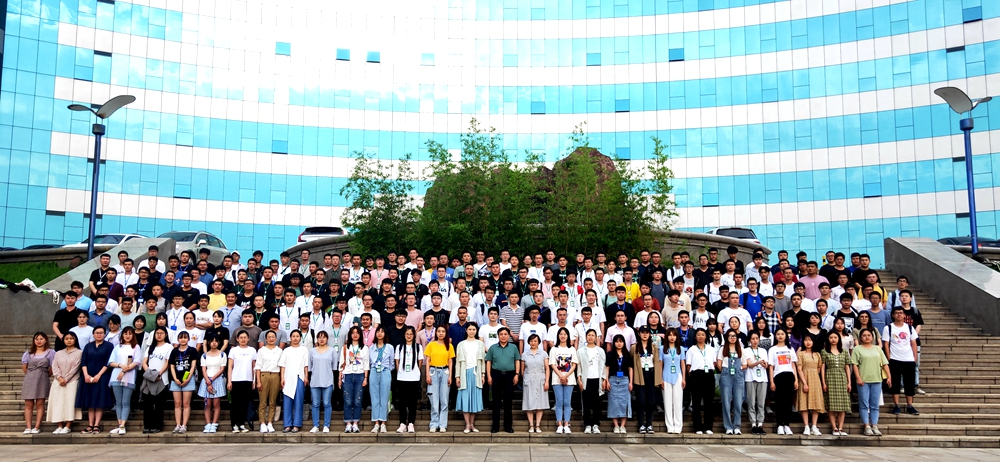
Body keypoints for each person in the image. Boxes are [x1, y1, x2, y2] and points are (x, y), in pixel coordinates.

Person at [853, 328, 891, 436]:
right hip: (863, 380)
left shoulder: (877, 349)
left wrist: (889, 376)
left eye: (869, 335)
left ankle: (874, 425)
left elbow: (884, 363)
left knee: (875, 405)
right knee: (864, 404)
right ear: (860, 338)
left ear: (873, 337)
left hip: (877, 379)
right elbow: (854, 364)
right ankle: (866, 426)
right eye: (864, 335)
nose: (867, 337)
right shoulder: (857, 349)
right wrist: (858, 378)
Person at [75, 325, 113, 434]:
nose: (99, 334)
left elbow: (108, 362)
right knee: (90, 400)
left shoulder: (109, 346)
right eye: (97, 333)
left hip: (102, 375)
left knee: (99, 400)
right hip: (88, 374)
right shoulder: (88, 346)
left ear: (104, 334)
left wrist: (99, 375)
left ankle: (97, 425)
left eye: (101, 333)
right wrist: (86, 375)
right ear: (93, 334)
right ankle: (90, 424)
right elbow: (84, 361)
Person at [883, 307, 920, 415]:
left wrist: (914, 357)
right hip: (894, 359)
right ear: (893, 315)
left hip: (908, 359)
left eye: (901, 313)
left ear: (904, 315)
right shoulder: (888, 328)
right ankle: (896, 405)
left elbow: (913, 343)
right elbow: (886, 344)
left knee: (909, 383)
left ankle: (910, 405)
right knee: (895, 383)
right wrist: (889, 357)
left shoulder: (909, 328)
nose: (899, 315)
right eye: (896, 313)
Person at [486, 327, 521, 433]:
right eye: (501, 334)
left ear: (509, 335)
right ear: (498, 336)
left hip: (510, 375)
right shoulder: (493, 348)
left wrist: (517, 374)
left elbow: (517, 361)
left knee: (508, 401)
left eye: (505, 334)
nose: (503, 336)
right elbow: (489, 362)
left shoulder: (513, 347)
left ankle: (508, 426)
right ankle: (495, 426)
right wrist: (489, 376)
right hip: (496, 374)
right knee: (496, 401)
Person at [48, 331, 82, 434]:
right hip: (58, 382)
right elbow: (54, 366)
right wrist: (59, 378)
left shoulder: (79, 353)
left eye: (71, 338)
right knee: (57, 402)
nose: (69, 340)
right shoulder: (58, 353)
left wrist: (66, 379)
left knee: (70, 403)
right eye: (66, 339)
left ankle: (68, 426)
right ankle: (59, 425)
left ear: (75, 340)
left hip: (72, 381)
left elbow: (76, 367)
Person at [107, 327, 140, 435]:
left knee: (125, 402)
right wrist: (121, 366)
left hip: (129, 376)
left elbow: (136, 362)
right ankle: (119, 424)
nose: (127, 336)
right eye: (125, 333)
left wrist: (124, 371)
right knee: (118, 402)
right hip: (116, 376)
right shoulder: (117, 347)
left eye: (130, 334)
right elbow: (111, 362)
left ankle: (122, 425)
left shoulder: (136, 347)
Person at [21, 332, 54, 434]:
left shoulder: (51, 352)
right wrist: (31, 374)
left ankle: (37, 426)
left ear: (45, 340)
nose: (39, 341)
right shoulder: (28, 353)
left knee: (40, 403)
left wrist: (44, 374)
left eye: (41, 339)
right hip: (30, 378)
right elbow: (24, 367)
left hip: (43, 378)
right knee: (28, 404)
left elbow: (52, 368)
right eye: (36, 339)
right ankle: (28, 427)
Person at [454, 322, 485, 433]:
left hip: (476, 373)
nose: (472, 331)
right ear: (466, 330)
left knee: (474, 399)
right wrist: (457, 376)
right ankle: (467, 424)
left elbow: (482, 361)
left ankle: (472, 424)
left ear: (476, 331)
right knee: (466, 398)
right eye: (470, 329)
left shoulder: (480, 344)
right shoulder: (461, 344)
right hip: (464, 373)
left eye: (474, 329)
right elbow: (458, 362)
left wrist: (483, 374)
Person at [141, 327, 172, 434]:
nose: (159, 335)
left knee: (159, 404)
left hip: (161, 379)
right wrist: (150, 374)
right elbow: (144, 362)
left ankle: (157, 426)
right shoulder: (150, 347)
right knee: (147, 404)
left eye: (161, 333)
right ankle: (147, 426)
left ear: (165, 335)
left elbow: (167, 362)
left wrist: (158, 374)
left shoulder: (169, 347)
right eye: (157, 333)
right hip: (149, 379)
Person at [821, 331, 852, 436]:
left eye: (835, 337)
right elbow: (823, 367)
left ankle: (841, 427)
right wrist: (823, 382)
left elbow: (847, 367)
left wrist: (849, 382)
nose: (833, 339)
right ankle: (834, 427)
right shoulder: (824, 351)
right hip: (830, 377)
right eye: (831, 337)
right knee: (831, 404)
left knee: (842, 404)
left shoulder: (844, 352)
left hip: (842, 378)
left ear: (839, 339)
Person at [424, 324, 454, 432]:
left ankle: (442, 424)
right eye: (439, 331)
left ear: (446, 333)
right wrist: (427, 374)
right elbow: (428, 360)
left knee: (444, 399)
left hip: (445, 371)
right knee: (434, 399)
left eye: (443, 331)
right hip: (433, 371)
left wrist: (450, 375)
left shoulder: (449, 346)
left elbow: (450, 361)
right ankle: (434, 423)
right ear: (436, 333)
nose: (441, 333)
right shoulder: (431, 345)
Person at [547, 327, 577, 434]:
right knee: (559, 402)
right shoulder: (554, 349)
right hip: (557, 379)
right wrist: (561, 376)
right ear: (558, 336)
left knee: (567, 402)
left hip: (569, 379)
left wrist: (566, 376)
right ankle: (559, 424)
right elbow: (552, 364)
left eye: (565, 334)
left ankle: (566, 424)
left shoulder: (572, 349)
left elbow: (574, 364)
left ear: (568, 336)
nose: (563, 336)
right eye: (561, 334)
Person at [279, 330, 310, 433]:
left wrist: (306, 376)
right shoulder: (286, 350)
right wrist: (282, 378)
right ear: (290, 338)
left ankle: (296, 424)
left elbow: (306, 364)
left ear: (300, 338)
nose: (295, 338)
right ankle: (287, 424)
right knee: (287, 401)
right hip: (288, 377)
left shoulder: (304, 349)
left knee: (298, 401)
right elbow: (283, 365)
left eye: (297, 336)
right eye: (293, 336)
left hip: (299, 377)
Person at [769, 328, 798, 435]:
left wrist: (796, 380)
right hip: (778, 376)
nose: (780, 336)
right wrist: (772, 381)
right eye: (778, 334)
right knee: (779, 402)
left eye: (782, 334)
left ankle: (786, 424)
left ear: (786, 335)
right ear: (775, 336)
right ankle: (780, 425)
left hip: (789, 376)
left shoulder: (790, 349)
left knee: (788, 402)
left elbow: (793, 365)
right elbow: (771, 366)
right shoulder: (772, 349)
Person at [631, 327, 660, 434]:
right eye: (642, 332)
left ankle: (649, 424)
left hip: (651, 373)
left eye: (647, 332)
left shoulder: (653, 346)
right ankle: (641, 424)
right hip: (640, 373)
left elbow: (656, 361)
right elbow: (632, 362)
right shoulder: (634, 347)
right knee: (641, 401)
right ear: (639, 334)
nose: (644, 334)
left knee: (650, 401)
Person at [576, 329, 605, 433]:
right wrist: (579, 379)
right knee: (586, 402)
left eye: (593, 335)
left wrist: (604, 379)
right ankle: (587, 424)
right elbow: (579, 366)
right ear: (586, 337)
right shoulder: (580, 351)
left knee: (597, 402)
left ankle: (596, 424)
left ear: (596, 337)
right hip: (586, 379)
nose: (591, 337)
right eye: (589, 335)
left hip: (597, 379)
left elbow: (603, 366)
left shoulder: (600, 351)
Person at [340, 326, 369, 433]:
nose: (355, 335)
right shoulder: (345, 347)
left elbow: (366, 363)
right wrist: (339, 378)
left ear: (360, 335)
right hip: (347, 375)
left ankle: (355, 423)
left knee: (357, 400)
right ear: (350, 335)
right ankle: (348, 423)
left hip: (360, 375)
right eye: (353, 333)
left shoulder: (364, 348)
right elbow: (341, 363)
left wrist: (365, 378)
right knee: (347, 400)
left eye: (357, 333)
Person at [227, 330, 257, 433]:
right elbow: (230, 367)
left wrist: (254, 380)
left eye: (245, 337)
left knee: (245, 403)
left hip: (248, 380)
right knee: (236, 404)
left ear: (248, 339)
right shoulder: (233, 350)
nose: (243, 339)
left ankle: (241, 423)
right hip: (236, 380)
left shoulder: (252, 350)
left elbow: (254, 366)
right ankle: (234, 424)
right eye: (241, 338)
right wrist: (229, 381)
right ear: (237, 339)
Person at [168, 330, 198, 433]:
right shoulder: (174, 351)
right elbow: (172, 366)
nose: (183, 340)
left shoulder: (192, 350)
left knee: (186, 403)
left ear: (188, 339)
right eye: (181, 338)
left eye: (185, 338)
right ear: (178, 339)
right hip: (176, 380)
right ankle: (177, 424)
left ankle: (184, 425)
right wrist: (175, 378)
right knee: (177, 403)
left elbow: (193, 366)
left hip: (188, 379)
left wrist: (188, 378)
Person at [717, 328, 746, 435]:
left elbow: (745, 364)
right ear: (726, 337)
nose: (732, 338)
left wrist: (739, 369)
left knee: (738, 402)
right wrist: (724, 371)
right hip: (726, 375)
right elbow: (719, 363)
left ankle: (737, 426)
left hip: (738, 376)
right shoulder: (722, 349)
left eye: (734, 336)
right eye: (730, 336)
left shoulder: (741, 349)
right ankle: (728, 426)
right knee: (726, 401)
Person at [795, 335, 825, 435]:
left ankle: (814, 426)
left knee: (816, 403)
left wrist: (813, 375)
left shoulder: (817, 354)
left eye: (810, 340)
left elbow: (819, 368)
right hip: (804, 378)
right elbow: (799, 369)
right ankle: (806, 426)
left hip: (815, 380)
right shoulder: (800, 354)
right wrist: (804, 383)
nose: (808, 342)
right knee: (804, 403)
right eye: (806, 340)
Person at [395, 326, 422, 433]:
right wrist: (400, 372)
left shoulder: (418, 347)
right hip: (402, 378)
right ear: (404, 335)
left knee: (412, 402)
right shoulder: (399, 347)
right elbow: (397, 361)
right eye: (407, 334)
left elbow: (420, 362)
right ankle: (402, 423)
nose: (409, 336)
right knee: (402, 402)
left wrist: (415, 371)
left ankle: (411, 423)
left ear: (414, 335)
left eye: (411, 334)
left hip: (414, 378)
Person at [658, 328, 686, 434]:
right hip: (666, 377)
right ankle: (670, 426)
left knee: (678, 402)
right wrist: (660, 379)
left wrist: (684, 378)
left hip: (678, 376)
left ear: (677, 337)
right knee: (667, 403)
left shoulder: (680, 349)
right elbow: (660, 365)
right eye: (669, 335)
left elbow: (682, 364)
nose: (672, 337)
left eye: (674, 335)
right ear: (666, 337)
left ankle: (678, 426)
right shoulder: (662, 349)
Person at [368, 326, 395, 433]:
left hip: (385, 372)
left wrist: (386, 370)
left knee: (384, 397)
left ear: (385, 334)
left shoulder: (389, 347)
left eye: (382, 332)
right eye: (378, 332)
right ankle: (376, 422)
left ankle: (383, 422)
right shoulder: (371, 347)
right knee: (374, 397)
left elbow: (392, 363)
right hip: (374, 371)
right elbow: (369, 362)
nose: (379, 333)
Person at [604, 334, 633, 434]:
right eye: (617, 341)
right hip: (613, 379)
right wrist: (606, 380)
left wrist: (631, 382)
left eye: (621, 341)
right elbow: (607, 368)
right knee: (613, 402)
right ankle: (616, 425)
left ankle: (623, 426)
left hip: (624, 379)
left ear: (624, 343)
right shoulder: (610, 354)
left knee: (625, 402)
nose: (619, 343)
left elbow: (630, 369)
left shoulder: (627, 354)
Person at [255, 330, 282, 433]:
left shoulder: (279, 351)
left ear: (276, 338)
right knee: (263, 401)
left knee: (272, 401)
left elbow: (282, 366)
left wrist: (281, 379)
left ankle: (270, 422)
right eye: (269, 337)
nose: (271, 339)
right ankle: (262, 423)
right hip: (264, 375)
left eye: (273, 337)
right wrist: (258, 381)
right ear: (266, 339)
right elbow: (258, 366)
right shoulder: (261, 351)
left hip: (275, 375)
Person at [744, 331, 769, 434]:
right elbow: (749, 365)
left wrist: (764, 364)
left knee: (761, 402)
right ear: (750, 340)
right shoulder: (746, 350)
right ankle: (753, 423)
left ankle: (760, 423)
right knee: (751, 402)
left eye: (757, 338)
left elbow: (766, 365)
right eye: (753, 339)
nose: (755, 341)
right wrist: (758, 362)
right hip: (750, 378)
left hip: (763, 378)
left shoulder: (763, 351)